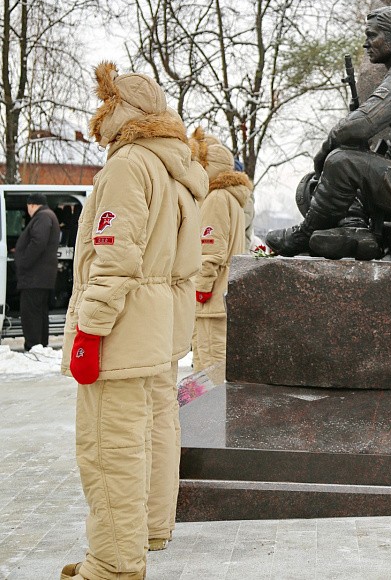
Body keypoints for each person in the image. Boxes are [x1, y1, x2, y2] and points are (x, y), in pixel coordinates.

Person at [60, 63, 202, 580]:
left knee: (109, 446)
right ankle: (149, 530)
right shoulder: (177, 169)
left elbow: (114, 258)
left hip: (121, 329)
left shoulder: (128, 165)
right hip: (159, 328)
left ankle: (114, 563)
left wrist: (90, 330)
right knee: (156, 427)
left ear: (118, 110)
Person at [266, 6, 391, 259]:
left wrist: (324, 153)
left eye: (372, 35)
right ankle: (357, 232)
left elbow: (360, 125)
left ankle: (305, 234)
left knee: (341, 162)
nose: (366, 43)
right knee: (317, 184)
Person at [146, 117, 208, 552]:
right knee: (163, 417)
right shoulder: (186, 184)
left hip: (149, 314)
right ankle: (157, 523)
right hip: (171, 311)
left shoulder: (147, 172)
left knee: (140, 427)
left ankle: (147, 528)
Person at [191, 130, 253, 372]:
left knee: (209, 362)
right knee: (215, 359)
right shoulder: (232, 198)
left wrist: (202, 288)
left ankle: (212, 400)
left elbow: (211, 250)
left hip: (213, 297)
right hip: (224, 290)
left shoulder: (216, 198)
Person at [13, 193, 61, 351]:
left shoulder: (42, 217)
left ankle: (34, 346)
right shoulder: (47, 215)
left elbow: (38, 242)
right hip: (40, 277)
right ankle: (40, 346)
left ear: (32, 205)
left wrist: (23, 261)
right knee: (39, 314)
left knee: (31, 314)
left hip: (35, 277)